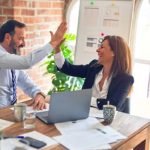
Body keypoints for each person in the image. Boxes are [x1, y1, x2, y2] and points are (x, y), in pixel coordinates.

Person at [54, 35, 134, 112]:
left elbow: (113, 105)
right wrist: (57, 48)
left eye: (102, 47)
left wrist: (86, 99)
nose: (97, 50)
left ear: (114, 53)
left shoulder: (125, 79)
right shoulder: (94, 67)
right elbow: (67, 68)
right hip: (84, 116)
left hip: (107, 122)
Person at [0, 19, 67, 109]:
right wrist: (52, 44)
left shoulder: (12, 60)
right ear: (8, 37)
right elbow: (26, 62)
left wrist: (38, 94)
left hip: (9, 111)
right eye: (20, 39)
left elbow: (26, 83)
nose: (24, 44)